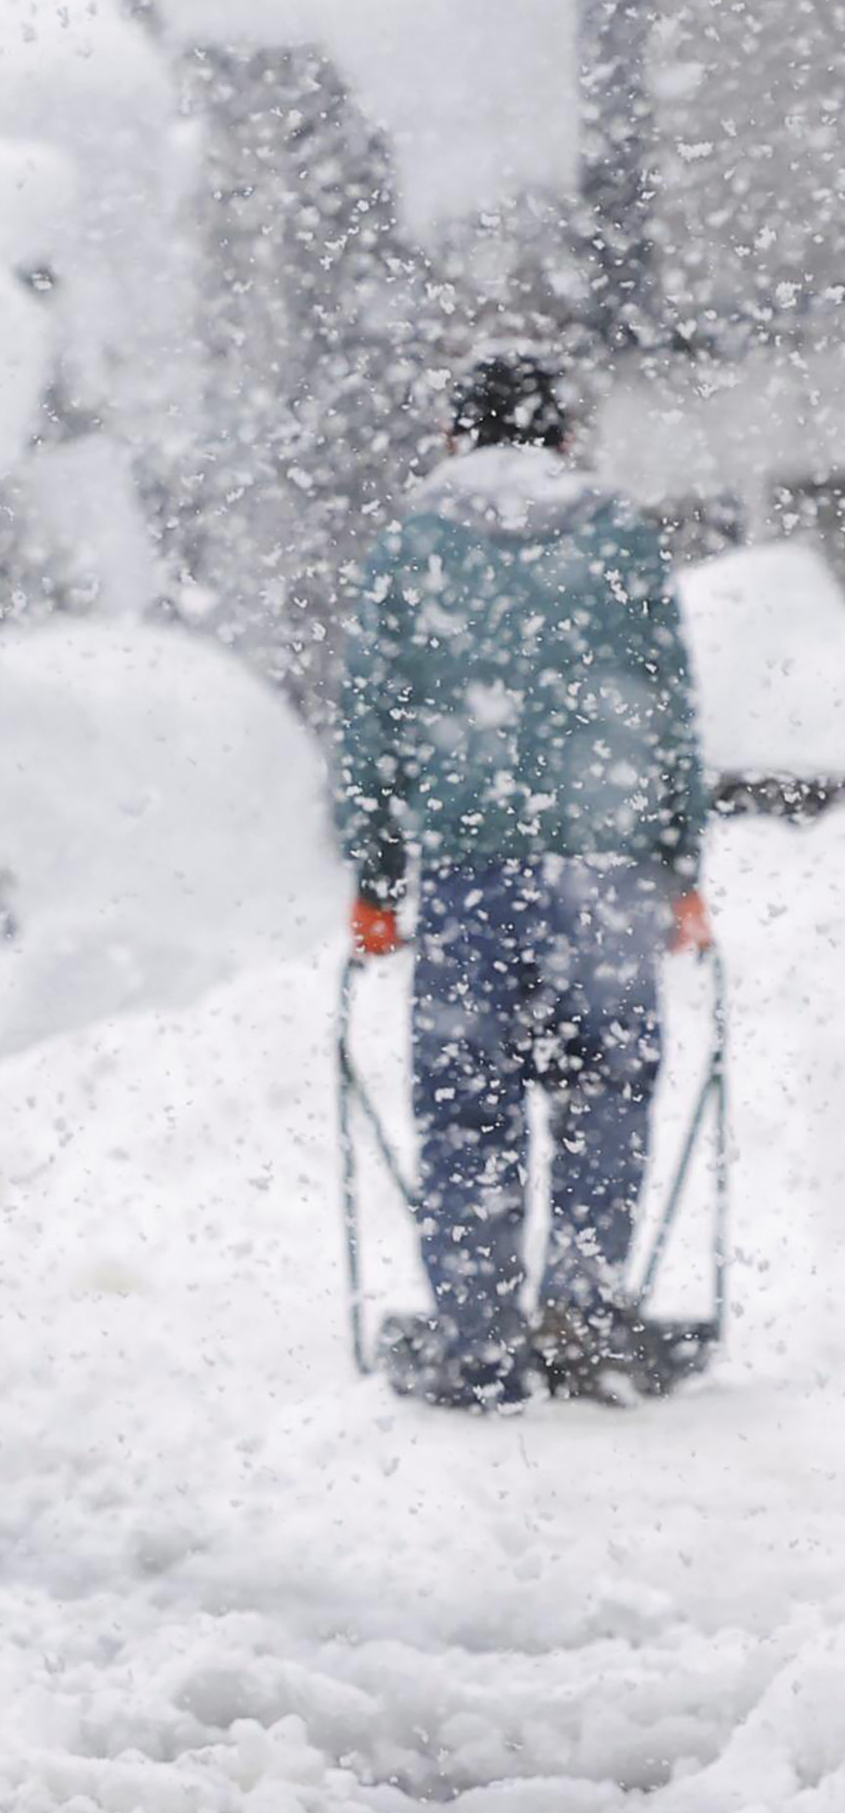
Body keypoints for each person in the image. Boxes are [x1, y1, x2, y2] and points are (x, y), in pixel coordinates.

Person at [336, 344, 710, 1411]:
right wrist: (678, 864)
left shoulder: (409, 547)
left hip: (466, 872)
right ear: (562, 438)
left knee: (466, 1107)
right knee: (604, 1097)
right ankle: (585, 1324)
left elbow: (372, 720)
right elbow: (665, 709)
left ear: (455, 436)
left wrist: (374, 873)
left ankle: (477, 1342)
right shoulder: (620, 539)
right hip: (605, 872)